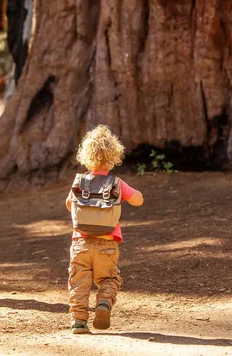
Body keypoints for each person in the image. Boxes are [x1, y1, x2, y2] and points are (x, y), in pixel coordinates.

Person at [65, 125, 144, 334]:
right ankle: (103, 304)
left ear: (86, 157)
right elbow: (138, 200)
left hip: (80, 243)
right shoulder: (116, 183)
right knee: (109, 279)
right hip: (107, 243)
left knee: (79, 283)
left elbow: (69, 204)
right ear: (113, 158)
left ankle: (79, 322)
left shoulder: (79, 181)